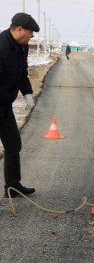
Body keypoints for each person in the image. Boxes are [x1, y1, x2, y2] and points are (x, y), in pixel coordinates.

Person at [0, 13, 39, 198]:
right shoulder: (0, 46)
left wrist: (28, 93)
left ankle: (13, 187)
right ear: (19, 29)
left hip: (5, 104)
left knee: (13, 144)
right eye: (31, 33)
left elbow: (22, 72)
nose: (32, 37)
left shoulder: (21, 47)